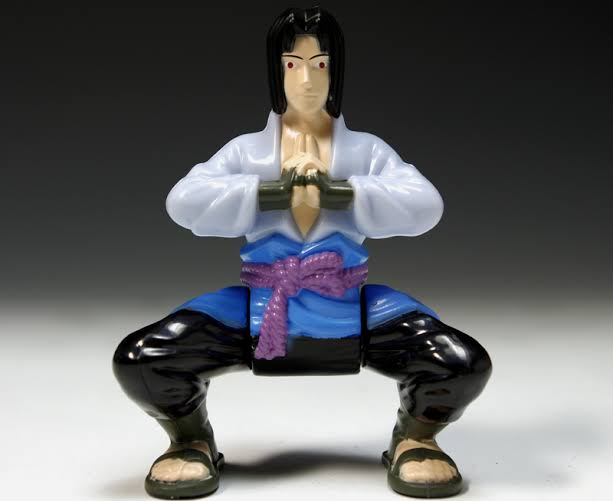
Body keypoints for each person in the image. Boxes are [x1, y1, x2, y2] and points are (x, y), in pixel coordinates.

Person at [113, 6, 492, 499]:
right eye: (293, 65)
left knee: (462, 362)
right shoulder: (247, 152)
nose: (307, 81)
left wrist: (342, 194)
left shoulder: (366, 152)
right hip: (260, 306)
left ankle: (416, 438)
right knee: (143, 358)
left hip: (349, 305)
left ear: (337, 71)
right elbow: (183, 201)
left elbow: (425, 205)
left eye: (320, 65)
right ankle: (190, 440)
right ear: (276, 72)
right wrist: (269, 194)